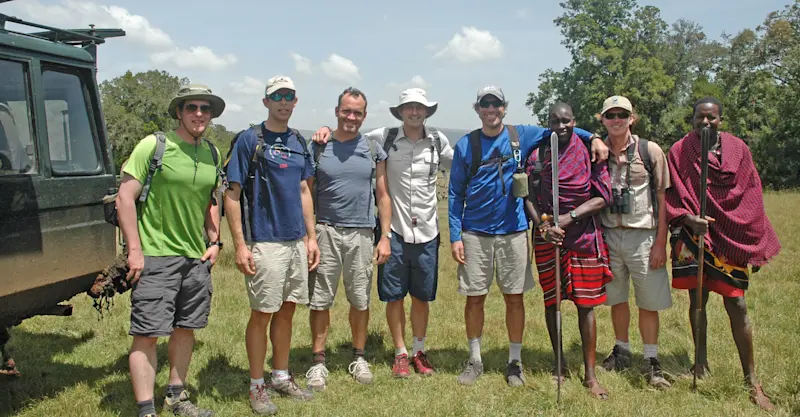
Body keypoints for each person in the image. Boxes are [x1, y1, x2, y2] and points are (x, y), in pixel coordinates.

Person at [448, 86, 608, 387]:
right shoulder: (466, 145)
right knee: (474, 298)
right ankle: (475, 359)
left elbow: (562, 128)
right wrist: (455, 235)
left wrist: (594, 137)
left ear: (504, 108)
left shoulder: (520, 134)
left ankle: (515, 361)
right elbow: (455, 193)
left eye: (496, 104)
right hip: (474, 232)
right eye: (485, 104)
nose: (491, 109)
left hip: (513, 231)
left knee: (514, 298)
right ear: (478, 108)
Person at [310, 88, 453, 378]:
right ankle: (398, 353)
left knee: (420, 297)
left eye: (419, 107)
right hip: (391, 230)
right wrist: (324, 129)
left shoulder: (438, 141)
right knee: (392, 296)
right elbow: (343, 138)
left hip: (426, 230)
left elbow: (462, 165)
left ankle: (417, 351)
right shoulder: (382, 138)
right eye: (408, 107)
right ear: (399, 111)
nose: (414, 112)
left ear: (427, 111)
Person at [666, 96, 781, 411]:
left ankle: (751, 379)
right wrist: (688, 218)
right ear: (691, 119)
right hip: (694, 237)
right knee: (697, 301)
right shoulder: (678, 151)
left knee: (737, 304)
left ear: (720, 119)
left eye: (711, 118)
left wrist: (745, 233)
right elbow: (670, 192)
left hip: (730, 236)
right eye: (699, 118)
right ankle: (700, 363)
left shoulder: (738, 149)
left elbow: (751, 191)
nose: (705, 123)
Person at [117, 84, 225, 417]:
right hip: (156, 255)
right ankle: (146, 410)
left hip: (195, 259)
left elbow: (211, 199)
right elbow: (124, 197)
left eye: (205, 108)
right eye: (191, 107)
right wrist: (135, 250)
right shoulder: (154, 145)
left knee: (185, 328)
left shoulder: (212, 152)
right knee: (147, 333)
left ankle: (176, 396)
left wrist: (215, 241)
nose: (199, 114)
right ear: (178, 111)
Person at [224, 76, 319, 415]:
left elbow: (305, 191)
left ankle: (280, 375)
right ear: (265, 102)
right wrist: (239, 245)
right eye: (276, 96)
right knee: (262, 313)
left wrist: (311, 238)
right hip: (264, 241)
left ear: (296, 102)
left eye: (289, 96)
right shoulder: (250, 140)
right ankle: (256, 386)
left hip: (296, 241)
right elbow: (232, 195)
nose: (283, 101)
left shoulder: (298, 140)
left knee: (288, 310)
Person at [305, 87, 392, 390]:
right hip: (325, 230)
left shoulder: (372, 148)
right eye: (346, 111)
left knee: (360, 298)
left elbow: (382, 194)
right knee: (320, 301)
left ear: (364, 115)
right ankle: (318, 362)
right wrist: (310, 235)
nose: (351, 117)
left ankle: (359, 356)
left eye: (357, 112)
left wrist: (385, 237)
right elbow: (307, 193)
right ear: (337, 111)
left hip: (362, 233)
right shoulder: (318, 147)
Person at [525, 102, 613, 400]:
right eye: (554, 121)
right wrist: (544, 226)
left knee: (586, 305)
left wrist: (569, 217)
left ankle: (590, 374)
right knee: (553, 302)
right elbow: (528, 196)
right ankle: (559, 363)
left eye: (566, 121)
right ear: (547, 122)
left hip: (583, 236)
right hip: (548, 237)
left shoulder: (591, 152)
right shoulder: (538, 153)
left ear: (575, 121)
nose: (561, 126)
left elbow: (603, 196)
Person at [595, 96, 672, 389]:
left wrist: (660, 243)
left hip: (643, 236)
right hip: (609, 235)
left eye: (622, 115)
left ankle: (652, 360)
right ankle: (622, 350)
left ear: (632, 118)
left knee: (648, 302)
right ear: (602, 119)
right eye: (610, 115)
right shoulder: (597, 152)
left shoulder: (649, 151)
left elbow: (664, 199)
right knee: (616, 298)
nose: (616, 120)